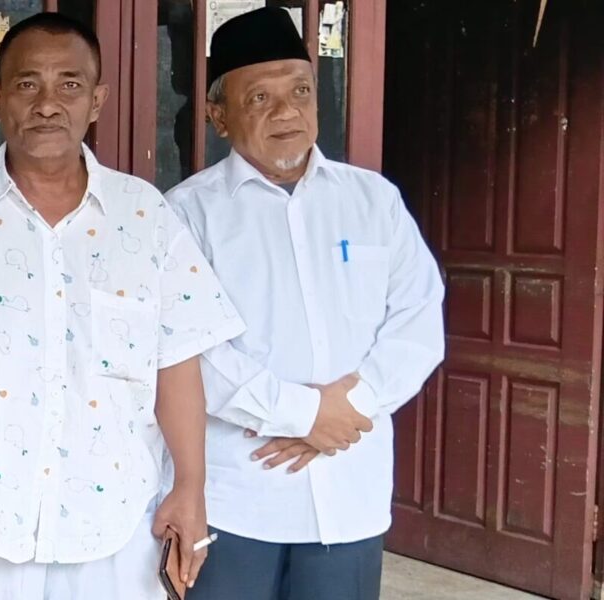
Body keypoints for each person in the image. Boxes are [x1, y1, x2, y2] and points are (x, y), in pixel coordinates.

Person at [0, 13, 248, 599]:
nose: (47, 104)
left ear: (97, 100)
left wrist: (191, 486)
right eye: (27, 84)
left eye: (69, 84)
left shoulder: (145, 217)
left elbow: (176, 362)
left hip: (116, 525)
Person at [167, 8, 446, 600]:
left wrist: (350, 407)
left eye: (299, 91)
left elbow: (418, 320)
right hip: (236, 499)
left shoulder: (373, 201)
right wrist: (302, 415)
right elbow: (191, 351)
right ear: (219, 117)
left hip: (349, 490)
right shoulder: (187, 214)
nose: (286, 112)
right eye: (260, 98)